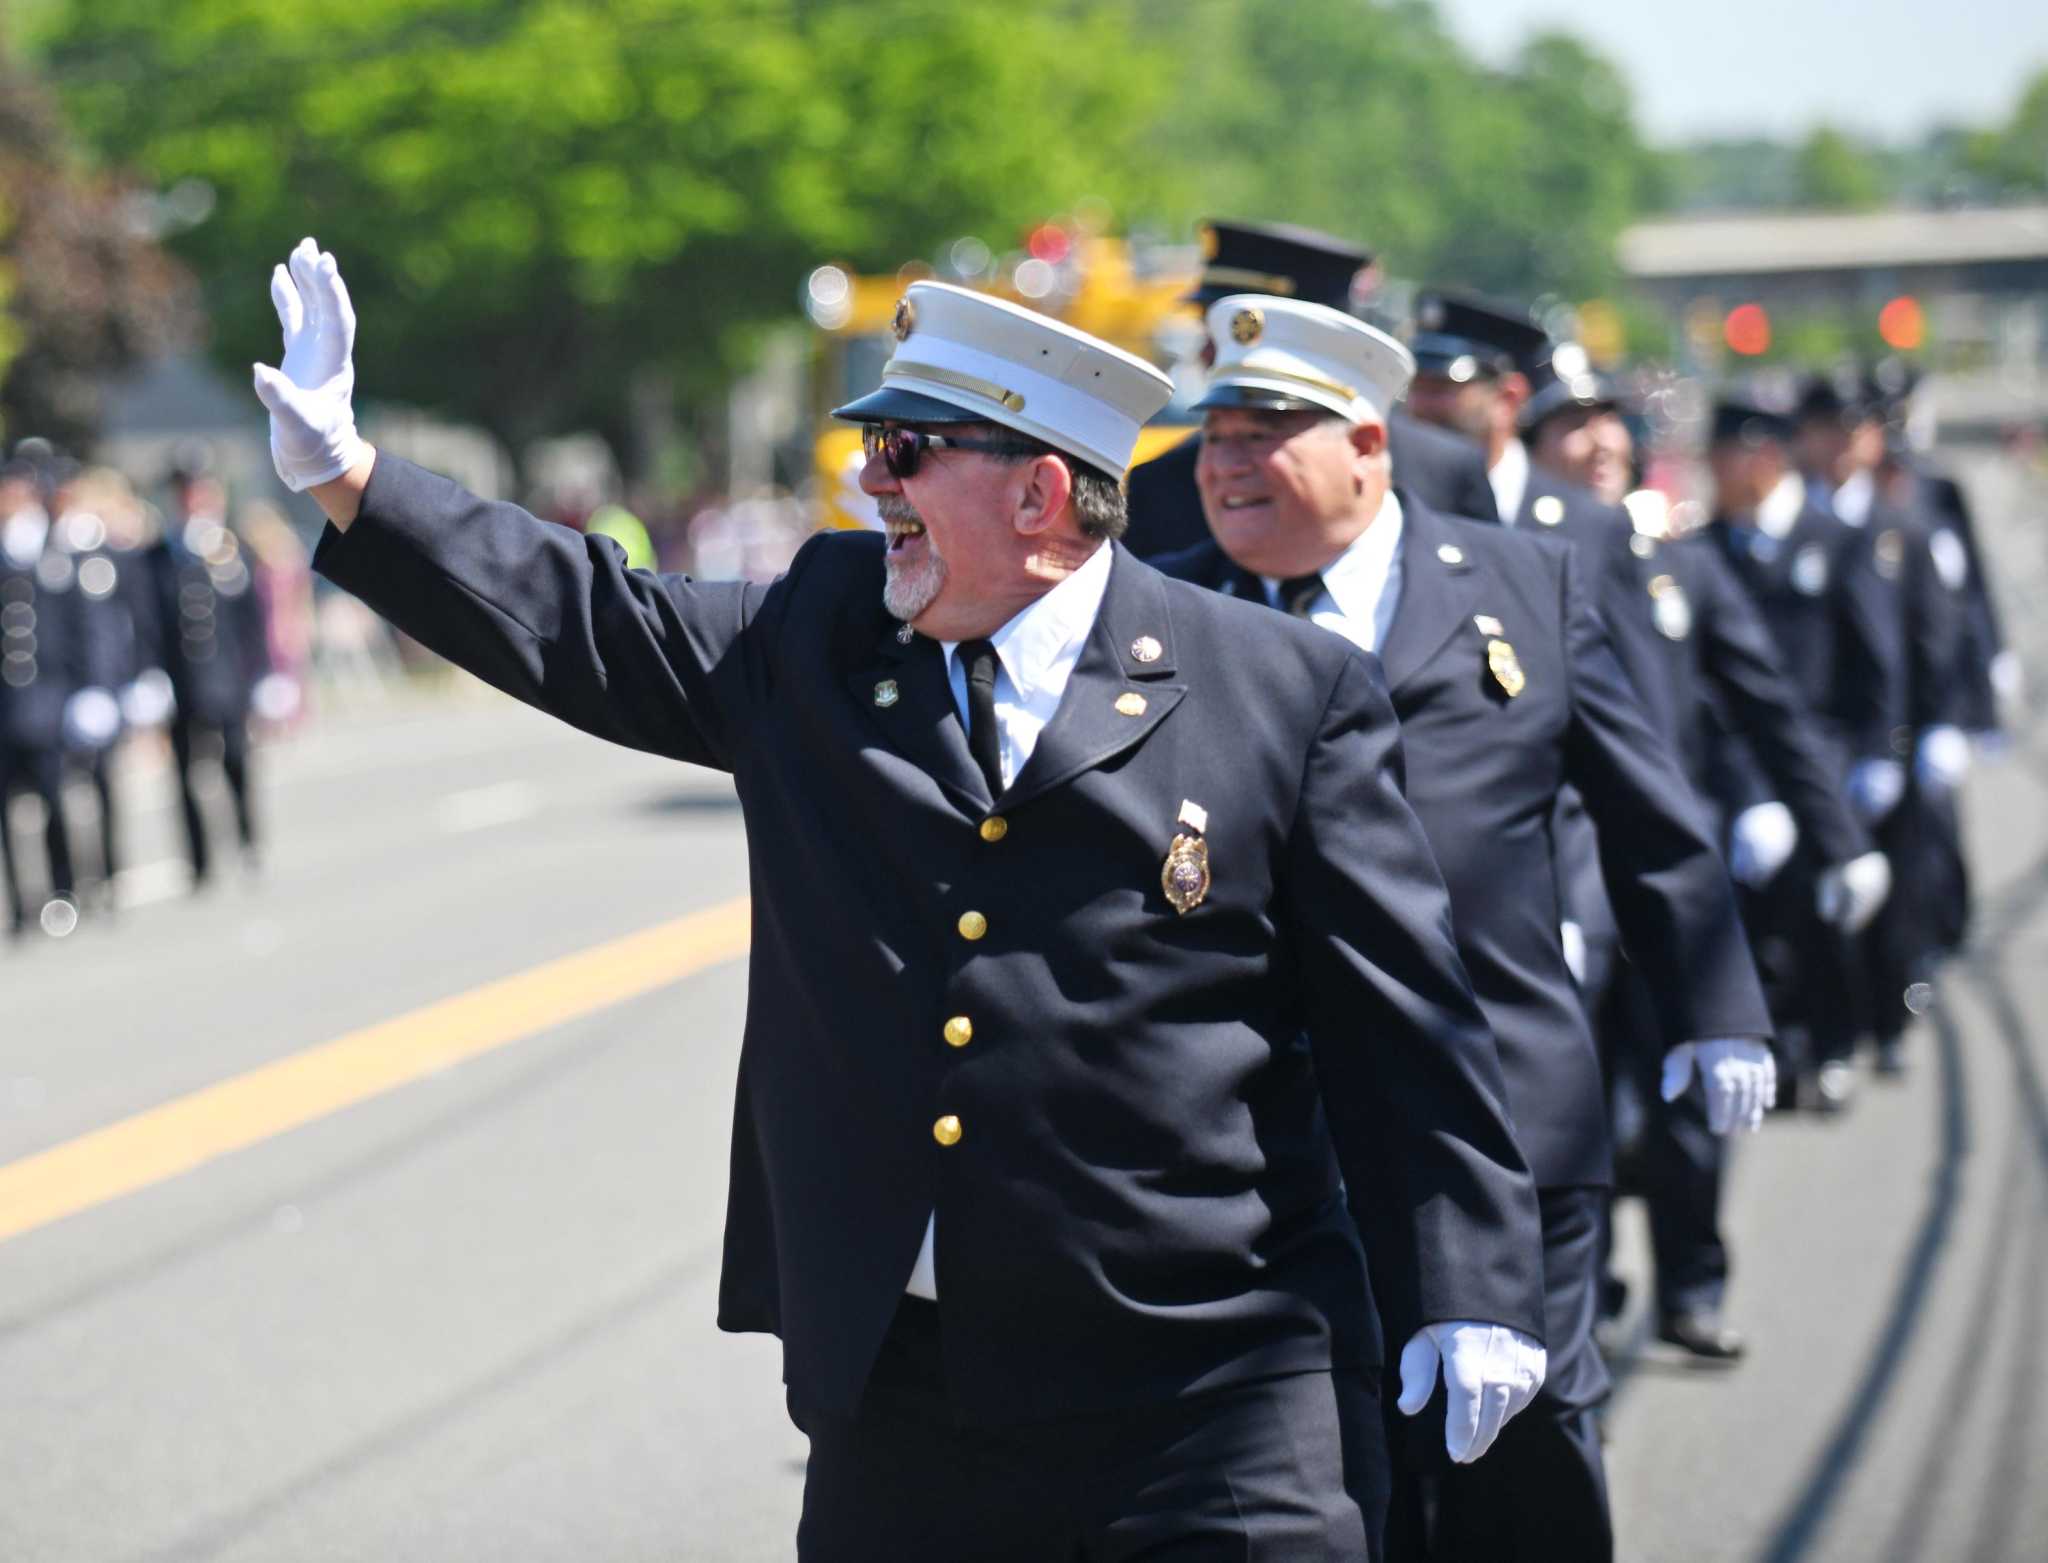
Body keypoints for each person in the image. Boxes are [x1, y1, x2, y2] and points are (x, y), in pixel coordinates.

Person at [255, 237, 1552, 1562]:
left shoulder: (1279, 690)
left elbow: (1404, 1019)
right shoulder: (819, 634)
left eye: (909, 453)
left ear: (1044, 491)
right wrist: (347, 473)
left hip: (1210, 1380)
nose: (872, 483)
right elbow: (593, 618)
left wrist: (1473, 1280)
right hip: (909, 1394)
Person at [1152, 295, 1775, 1563]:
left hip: (1506, 1129)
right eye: (1210, 437)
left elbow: (1648, 817)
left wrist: (1713, 1005)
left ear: (1366, 445)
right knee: (1312, 1481)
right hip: (1268, 1147)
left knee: (1518, 1470)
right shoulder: (1173, 618)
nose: (1221, 465)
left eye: (1261, 432)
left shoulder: (1519, 587)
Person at [1525, 375, 1888, 1358]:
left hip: (1670, 875)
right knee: (1571, 1112)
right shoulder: (1497, 568)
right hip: (1551, 881)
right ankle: (1581, 1301)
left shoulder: (1676, 568)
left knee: (1687, 1098)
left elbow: (1763, 704)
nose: (1593, 444)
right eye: (1567, 428)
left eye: (1609, 428)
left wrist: (1833, 833)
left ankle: (1688, 1287)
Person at [1705, 395, 1908, 1110]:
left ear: (1763, 459)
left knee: (1825, 916)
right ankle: (1776, 1049)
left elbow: (1871, 655)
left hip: (1823, 758)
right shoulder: (1705, 548)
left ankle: (1833, 1044)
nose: (1715, 472)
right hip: (1739, 769)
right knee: (1751, 924)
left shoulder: (1833, 538)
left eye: (1727, 458)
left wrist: (1879, 749)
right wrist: (1747, 792)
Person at [1121, 220, 1497, 561]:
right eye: (1214, 331)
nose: (1205, 353)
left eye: (1241, 334)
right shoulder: (1161, 485)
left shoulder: (1445, 472)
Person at [147, 459, 271, 886]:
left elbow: (252, 621)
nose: (190, 498)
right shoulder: (159, 554)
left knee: (236, 762)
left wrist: (264, 676)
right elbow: (149, 620)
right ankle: (198, 860)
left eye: (197, 489)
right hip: (181, 681)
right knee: (185, 775)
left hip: (228, 679)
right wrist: (149, 675)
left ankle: (248, 842)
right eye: (184, 491)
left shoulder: (231, 549)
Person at [0, 454, 84, 939]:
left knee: (53, 799)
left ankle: (64, 889)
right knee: (8, 813)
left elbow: (74, 627)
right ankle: (16, 904)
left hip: (48, 698)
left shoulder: (53, 548)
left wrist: (86, 688)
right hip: (7, 705)